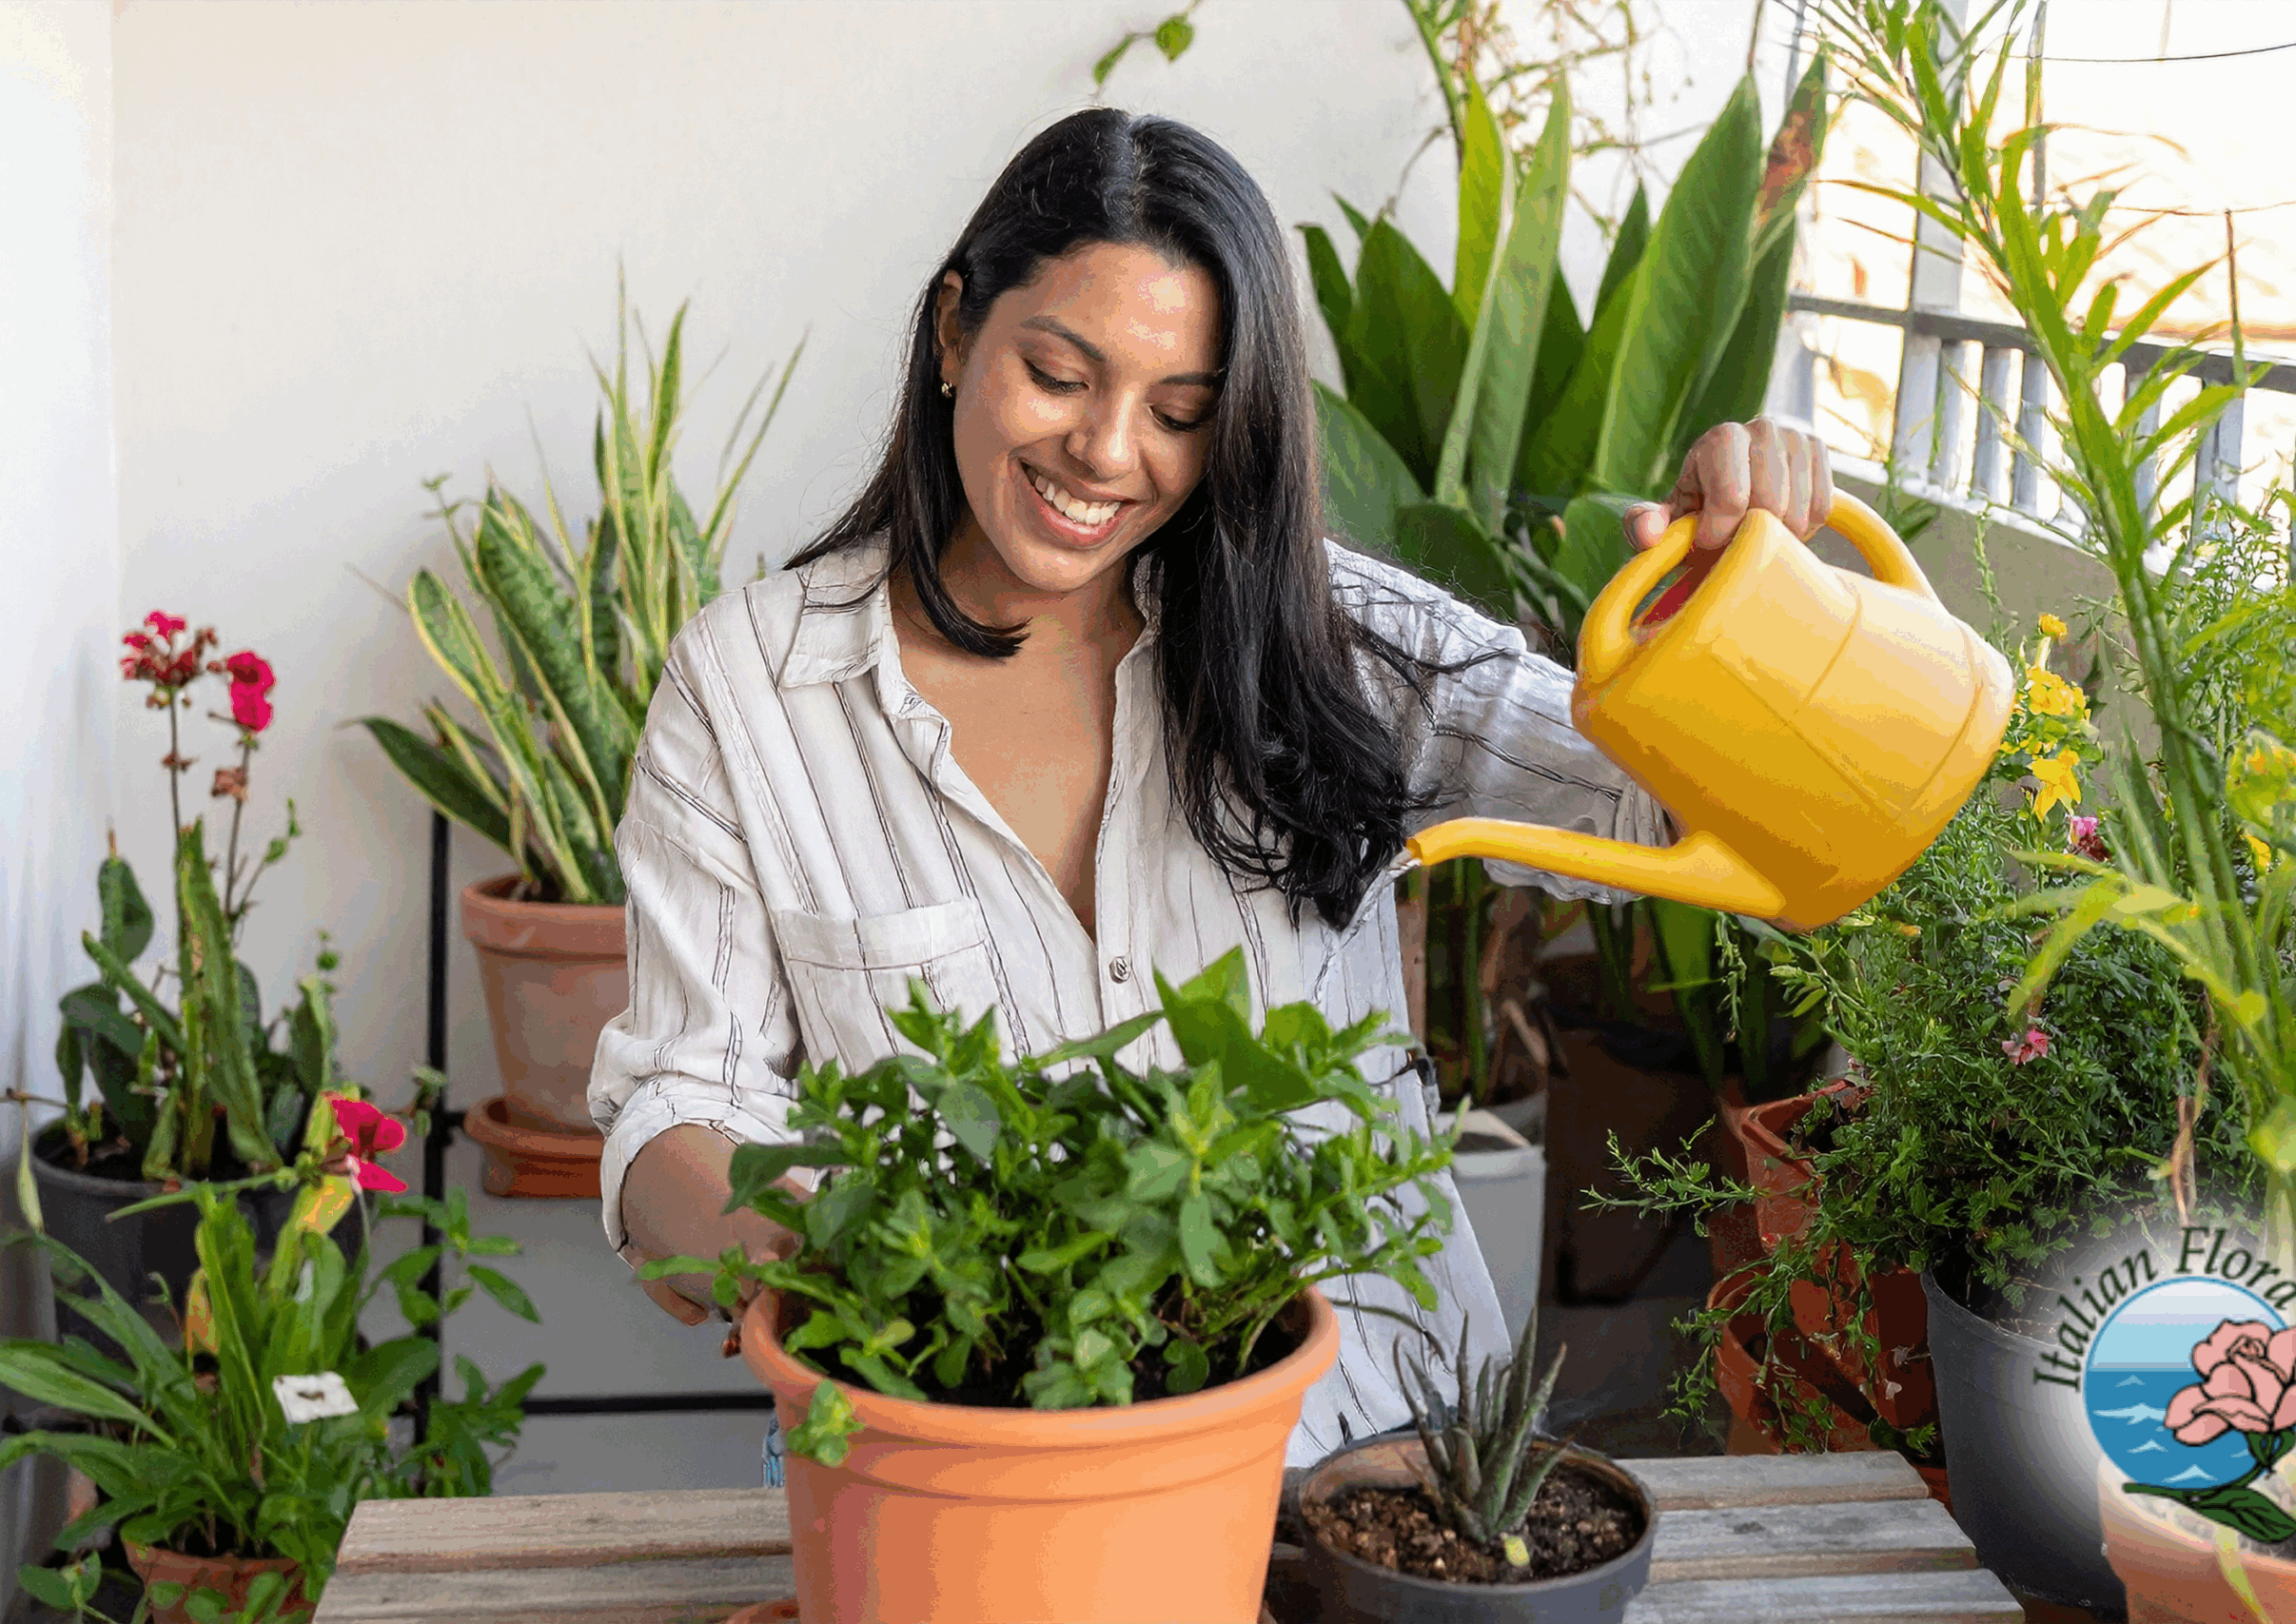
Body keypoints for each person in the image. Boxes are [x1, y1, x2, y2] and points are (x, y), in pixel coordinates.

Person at [588, 107, 1837, 1482]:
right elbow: (676, 1112)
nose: (1108, 455)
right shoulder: (754, 686)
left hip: (1388, 1465)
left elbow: (1677, 810)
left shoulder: (1334, 641)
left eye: (1180, 412)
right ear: (954, 332)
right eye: (1059, 376)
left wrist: (1740, 607)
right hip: (967, 1467)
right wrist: (825, 1267)